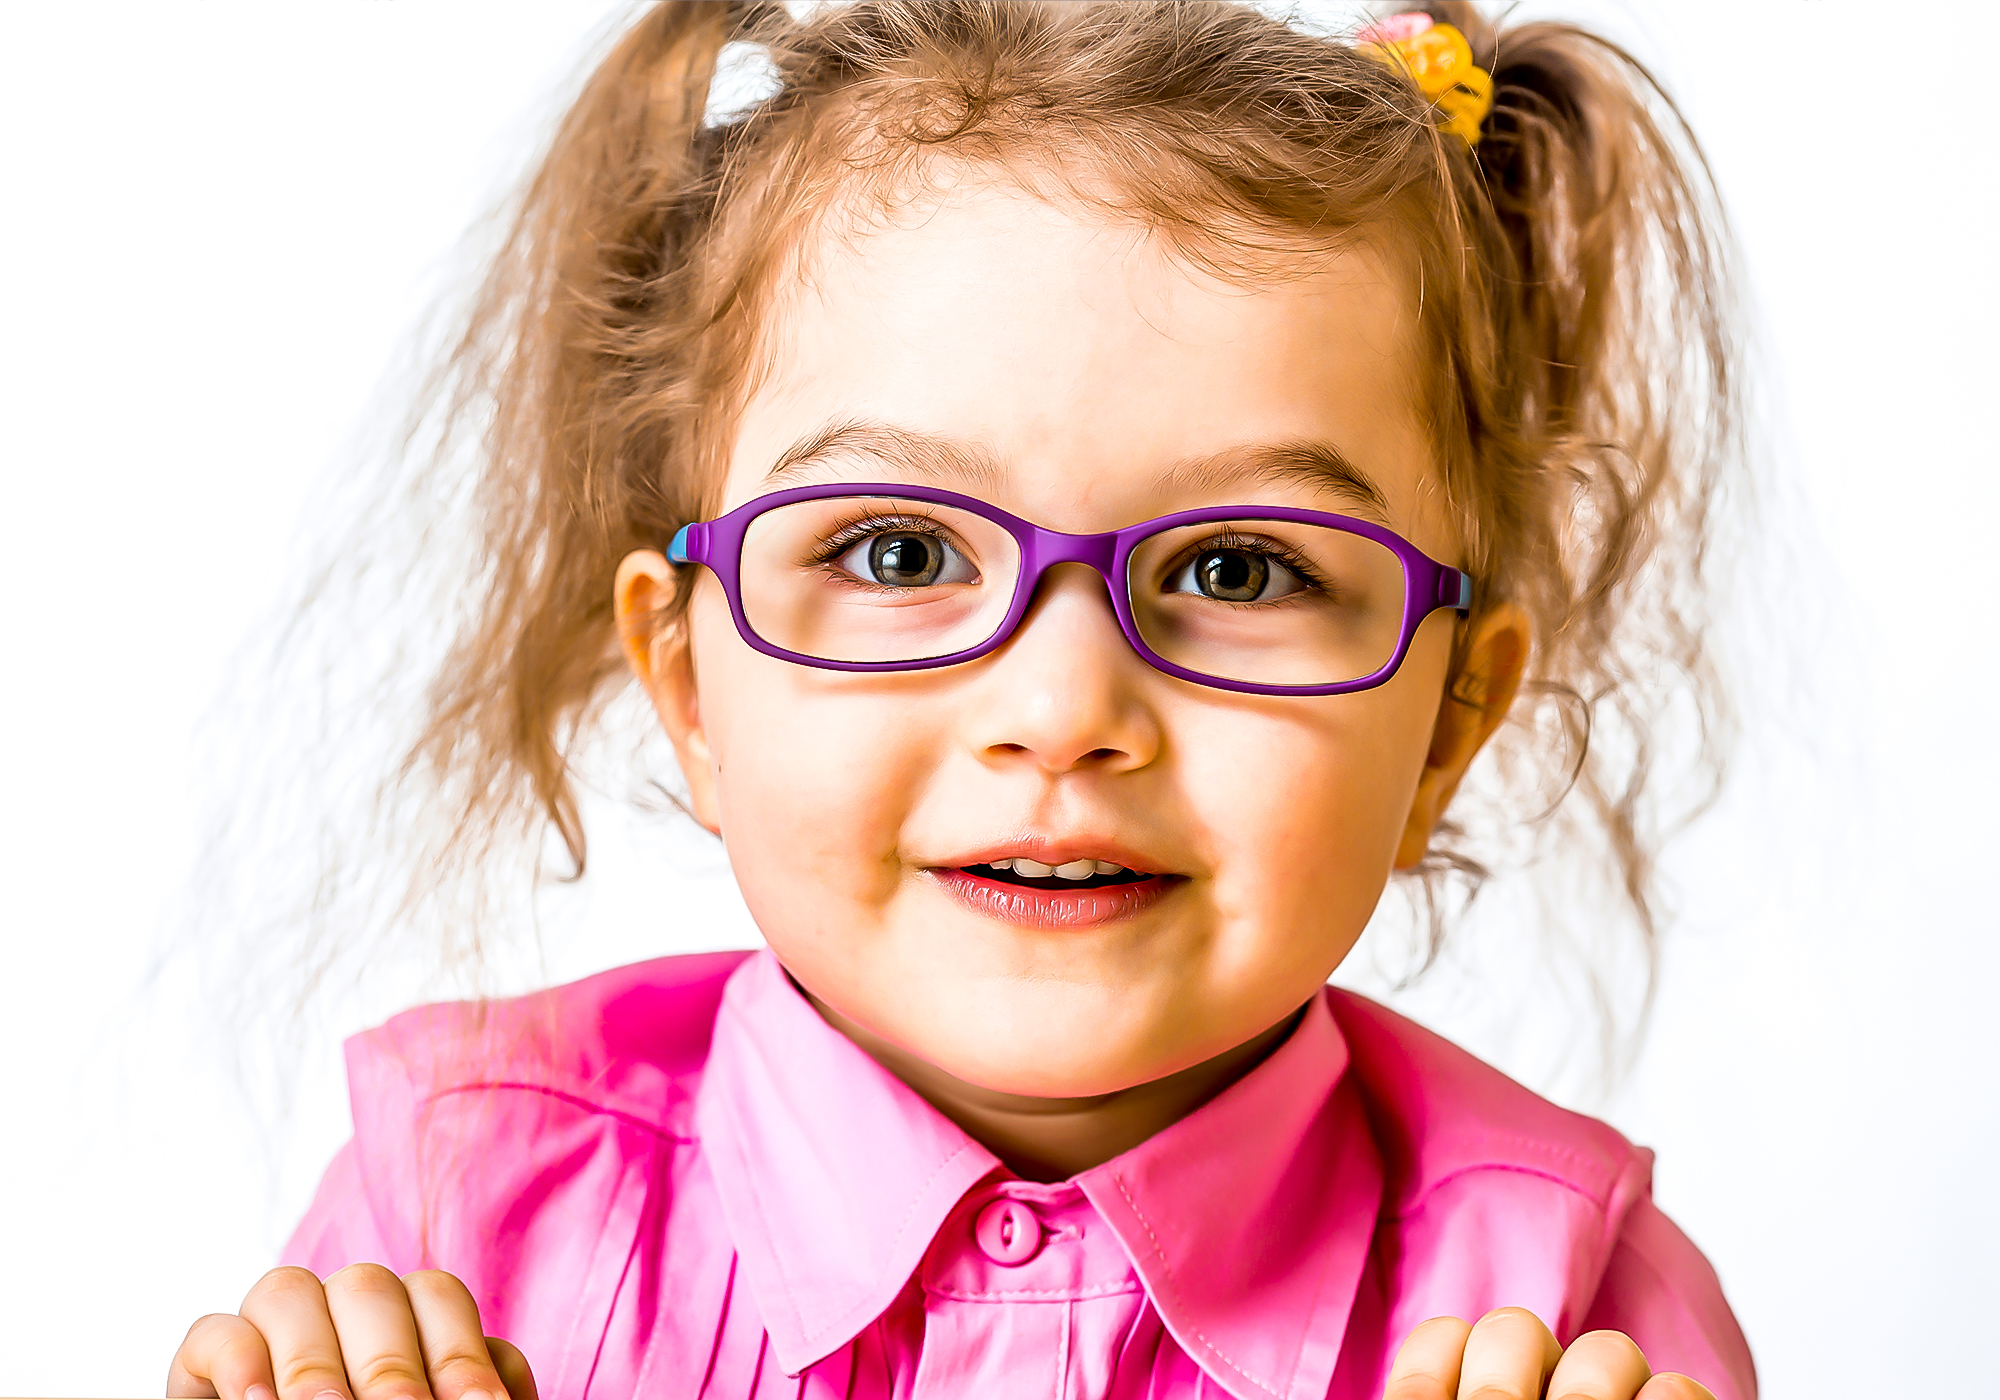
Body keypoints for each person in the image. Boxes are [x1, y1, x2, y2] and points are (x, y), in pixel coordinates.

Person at [169, 3, 1755, 1397]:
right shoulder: (454, 1221)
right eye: (900, 546)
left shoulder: (1573, 1318)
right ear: (687, 683)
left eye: (1242, 572)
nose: (1063, 710)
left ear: (1449, 728)